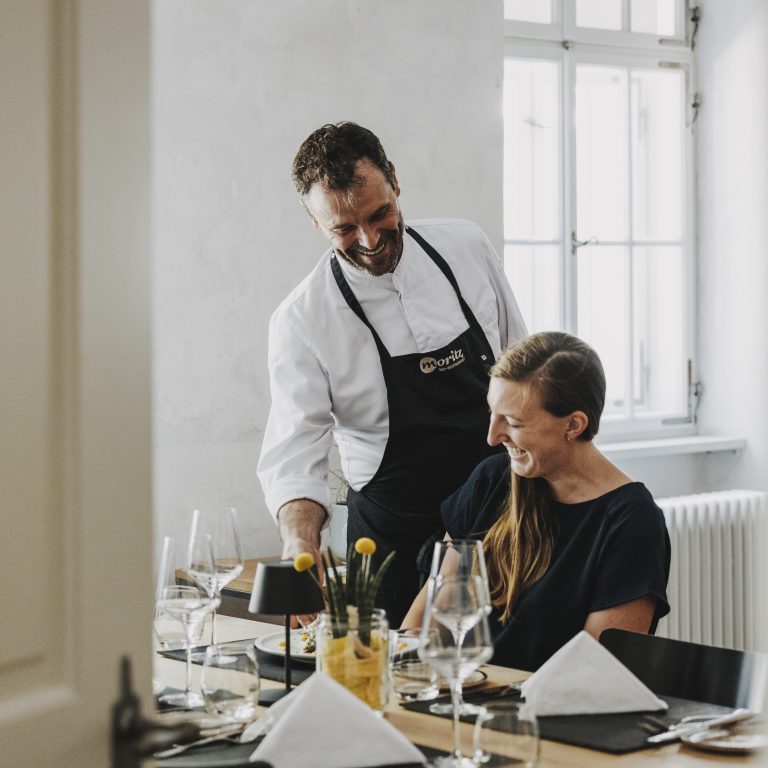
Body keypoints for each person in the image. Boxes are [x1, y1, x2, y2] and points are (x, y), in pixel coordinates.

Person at [257, 122, 528, 626]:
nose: (369, 239)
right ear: (314, 221)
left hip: (505, 527)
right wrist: (300, 540)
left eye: (380, 214)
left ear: (395, 181)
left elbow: (523, 367)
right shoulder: (303, 320)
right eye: (344, 228)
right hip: (391, 553)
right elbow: (294, 456)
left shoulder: (467, 246)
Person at [401, 331, 671, 670]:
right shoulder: (491, 480)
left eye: (512, 423)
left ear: (574, 424)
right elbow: (425, 622)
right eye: (492, 413)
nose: (492, 436)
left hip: (552, 714)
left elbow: (596, 669)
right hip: (467, 698)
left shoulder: (631, 521)